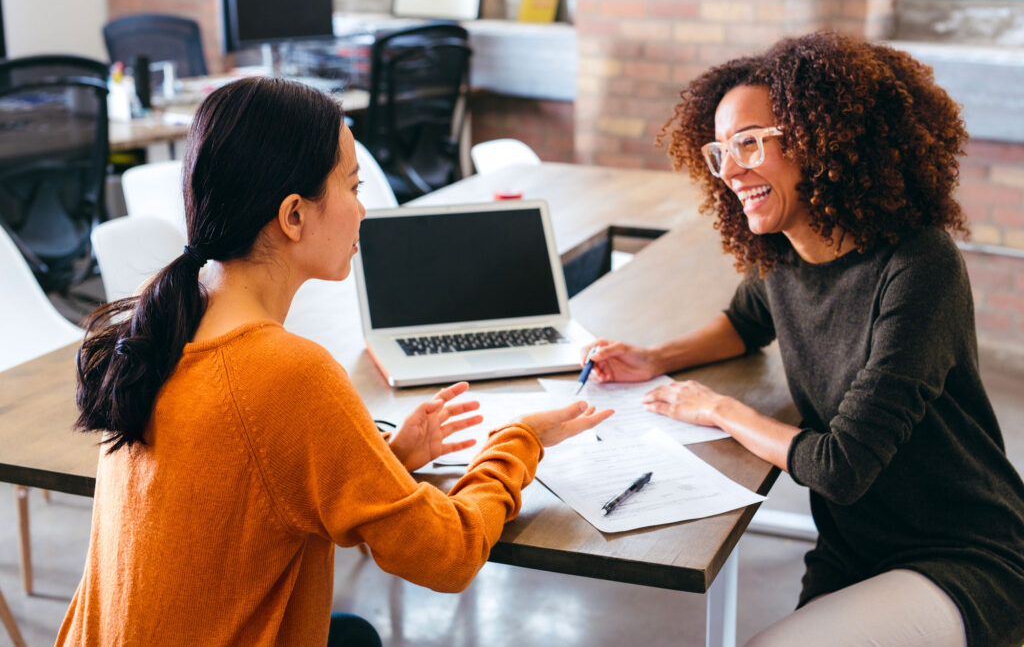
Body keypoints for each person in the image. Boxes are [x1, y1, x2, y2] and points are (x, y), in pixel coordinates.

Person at [59, 76, 613, 646]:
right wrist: (518, 442)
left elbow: (255, 492)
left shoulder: (163, 326)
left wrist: (386, 459)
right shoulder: (287, 371)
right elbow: (446, 556)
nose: (363, 210)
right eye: (353, 185)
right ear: (294, 215)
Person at [585, 32, 1024, 647]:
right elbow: (744, 322)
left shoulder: (919, 265)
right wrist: (653, 359)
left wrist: (715, 408)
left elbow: (840, 466)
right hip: (853, 547)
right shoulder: (786, 254)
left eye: (750, 143)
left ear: (821, 142)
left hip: (961, 554)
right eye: (720, 150)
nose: (732, 170)